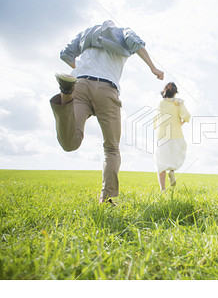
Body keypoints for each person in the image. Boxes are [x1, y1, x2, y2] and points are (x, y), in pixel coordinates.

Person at [50, 20, 164, 206]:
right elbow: (138, 45)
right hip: (106, 89)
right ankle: (106, 198)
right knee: (111, 148)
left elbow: (65, 54)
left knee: (70, 143)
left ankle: (65, 94)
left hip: (79, 86)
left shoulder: (88, 32)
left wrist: (79, 68)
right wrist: (153, 67)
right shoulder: (124, 32)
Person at [153, 82, 191, 191]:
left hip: (162, 135)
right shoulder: (178, 103)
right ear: (175, 93)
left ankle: (163, 189)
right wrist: (182, 122)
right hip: (176, 135)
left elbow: (155, 120)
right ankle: (172, 171)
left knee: (160, 162)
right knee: (175, 156)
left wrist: (157, 128)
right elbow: (187, 116)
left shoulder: (160, 104)